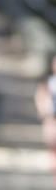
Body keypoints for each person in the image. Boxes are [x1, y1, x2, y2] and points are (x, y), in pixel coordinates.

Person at [34, 53, 56, 182]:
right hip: (51, 118)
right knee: (52, 144)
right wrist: (43, 111)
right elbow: (40, 96)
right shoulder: (48, 82)